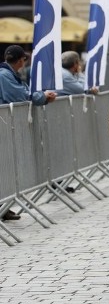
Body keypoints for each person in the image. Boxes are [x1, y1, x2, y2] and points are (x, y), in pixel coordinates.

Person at [0, 45, 56, 220]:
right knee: (6, 167)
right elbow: (20, 96)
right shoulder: (4, 75)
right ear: (20, 60)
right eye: (24, 60)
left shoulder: (9, 73)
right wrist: (42, 97)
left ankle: (4, 206)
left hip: (8, 125)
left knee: (7, 168)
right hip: (5, 125)